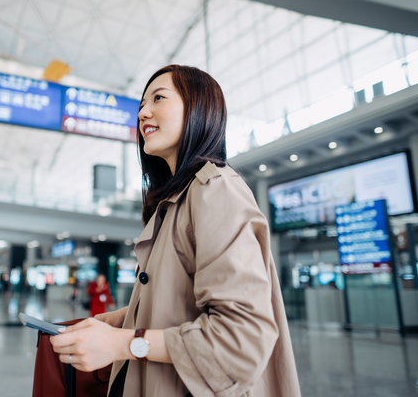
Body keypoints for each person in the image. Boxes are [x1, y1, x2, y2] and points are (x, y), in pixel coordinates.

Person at [49, 65, 301, 397]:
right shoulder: (176, 200)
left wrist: (125, 343)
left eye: (158, 98)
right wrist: (123, 320)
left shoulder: (216, 189)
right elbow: (182, 302)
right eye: (141, 105)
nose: (143, 112)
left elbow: (240, 339)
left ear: (199, 108)